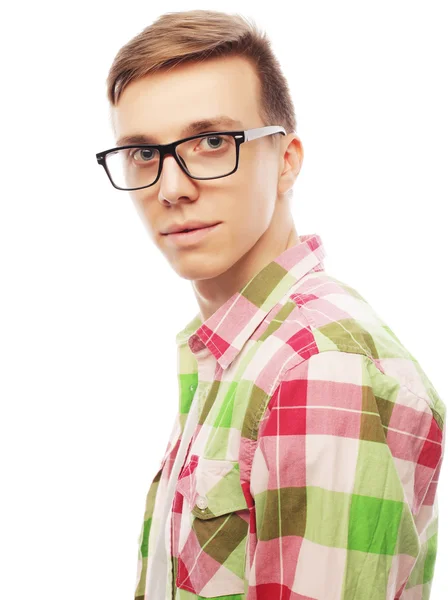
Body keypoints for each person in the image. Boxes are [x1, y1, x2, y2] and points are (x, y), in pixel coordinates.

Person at [96, 9, 446, 600]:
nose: (172, 188)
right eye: (142, 153)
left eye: (211, 142)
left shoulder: (316, 367)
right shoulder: (240, 349)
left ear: (286, 161)